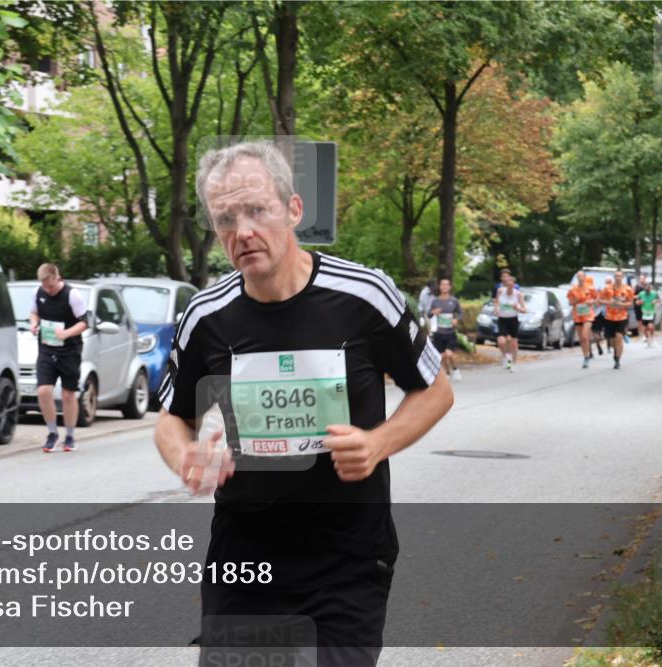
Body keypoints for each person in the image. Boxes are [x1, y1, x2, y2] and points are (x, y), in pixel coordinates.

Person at [153, 141, 453, 667]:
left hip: (347, 556)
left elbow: (435, 389)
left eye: (256, 210)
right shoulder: (206, 316)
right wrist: (185, 457)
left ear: (293, 210)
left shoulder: (365, 295)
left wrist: (377, 443)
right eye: (225, 219)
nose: (242, 231)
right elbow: (172, 417)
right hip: (245, 558)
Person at [29, 263, 89, 452]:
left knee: (67, 394)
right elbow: (33, 313)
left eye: (51, 286)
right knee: (43, 391)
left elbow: (85, 323)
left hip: (69, 350)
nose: (49, 290)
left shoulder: (73, 295)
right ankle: (52, 432)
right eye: (45, 287)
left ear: (58, 277)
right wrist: (34, 324)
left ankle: (70, 435)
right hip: (47, 349)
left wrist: (66, 333)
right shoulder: (38, 293)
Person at [428, 277, 463, 381]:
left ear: (450, 287)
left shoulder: (454, 301)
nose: (444, 286)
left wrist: (456, 319)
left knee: (449, 354)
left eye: (446, 285)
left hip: (450, 332)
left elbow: (460, 313)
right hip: (439, 332)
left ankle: (455, 369)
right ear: (439, 287)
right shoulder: (435, 301)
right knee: (442, 356)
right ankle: (447, 373)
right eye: (442, 284)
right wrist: (433, 313)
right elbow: (428, 314)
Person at [599, 270, 633, 369]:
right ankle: (616, 352)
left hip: (622, 317)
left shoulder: (628, 289)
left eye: (619, 276)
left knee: (619, 337)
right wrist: (609, 302)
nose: (618, 277)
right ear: (614, 277)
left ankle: (617, 360)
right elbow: (600, 300)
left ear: (622, 277)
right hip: (609, 317)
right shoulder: (607, 288)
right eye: (616, 276)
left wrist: (622, 304)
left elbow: (630, 303)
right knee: (612, 341)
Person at [494, 272, 526, 372]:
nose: (509, 288)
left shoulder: (518, 294)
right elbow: (496, 301)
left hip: (513, 319)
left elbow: (524, 309)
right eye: (508, 286)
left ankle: (513, 363)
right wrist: (496, 309)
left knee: (514, 343)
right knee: (501, 341)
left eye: (512, 286)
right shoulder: (500, 291)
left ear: (514, 286)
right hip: (502, 319)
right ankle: (505, 357)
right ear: (505, 285)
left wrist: (517, 308)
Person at [567, 271, 597, 368]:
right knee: (582, 338)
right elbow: (570, 302)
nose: (580, 278)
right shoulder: (572, 289)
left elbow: (596, 299)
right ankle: (586, 356)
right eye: (578, 276)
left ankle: (588, 355)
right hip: (578, 315)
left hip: (588, 314)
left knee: (584, 336)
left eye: (582, 276)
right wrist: (575, 301)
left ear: (585, 277)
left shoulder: (591, 288)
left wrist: (591, 302)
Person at [634, 281, 659, 347]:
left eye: (649, 291)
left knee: (650, 326)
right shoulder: (641, 294)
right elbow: (636, 302)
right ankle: (647, 339)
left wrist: (655, 301)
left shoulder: (654, 293)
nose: (647, 292)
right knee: (645, 328)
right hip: (644, 313)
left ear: (651, 289)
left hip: (651, 312)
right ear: (644, 289)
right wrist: (639, 302)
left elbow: (659, 300)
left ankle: (652, 338)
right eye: (646, 291)